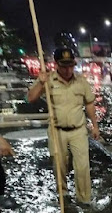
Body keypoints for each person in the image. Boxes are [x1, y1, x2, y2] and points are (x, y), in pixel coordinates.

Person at [28, 47, 100, 205]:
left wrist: (94, 125)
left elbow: (89, 104)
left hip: (78, 130)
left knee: (82, 167)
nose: (68, 70)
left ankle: (84, 199)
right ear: (56, 64)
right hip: (57, 130)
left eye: (70, 65)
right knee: (59, 165)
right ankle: (63, 193)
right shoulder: (48, 80)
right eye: (64, 65)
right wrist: (40, 83)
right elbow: (31, 98)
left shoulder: (81, 81)